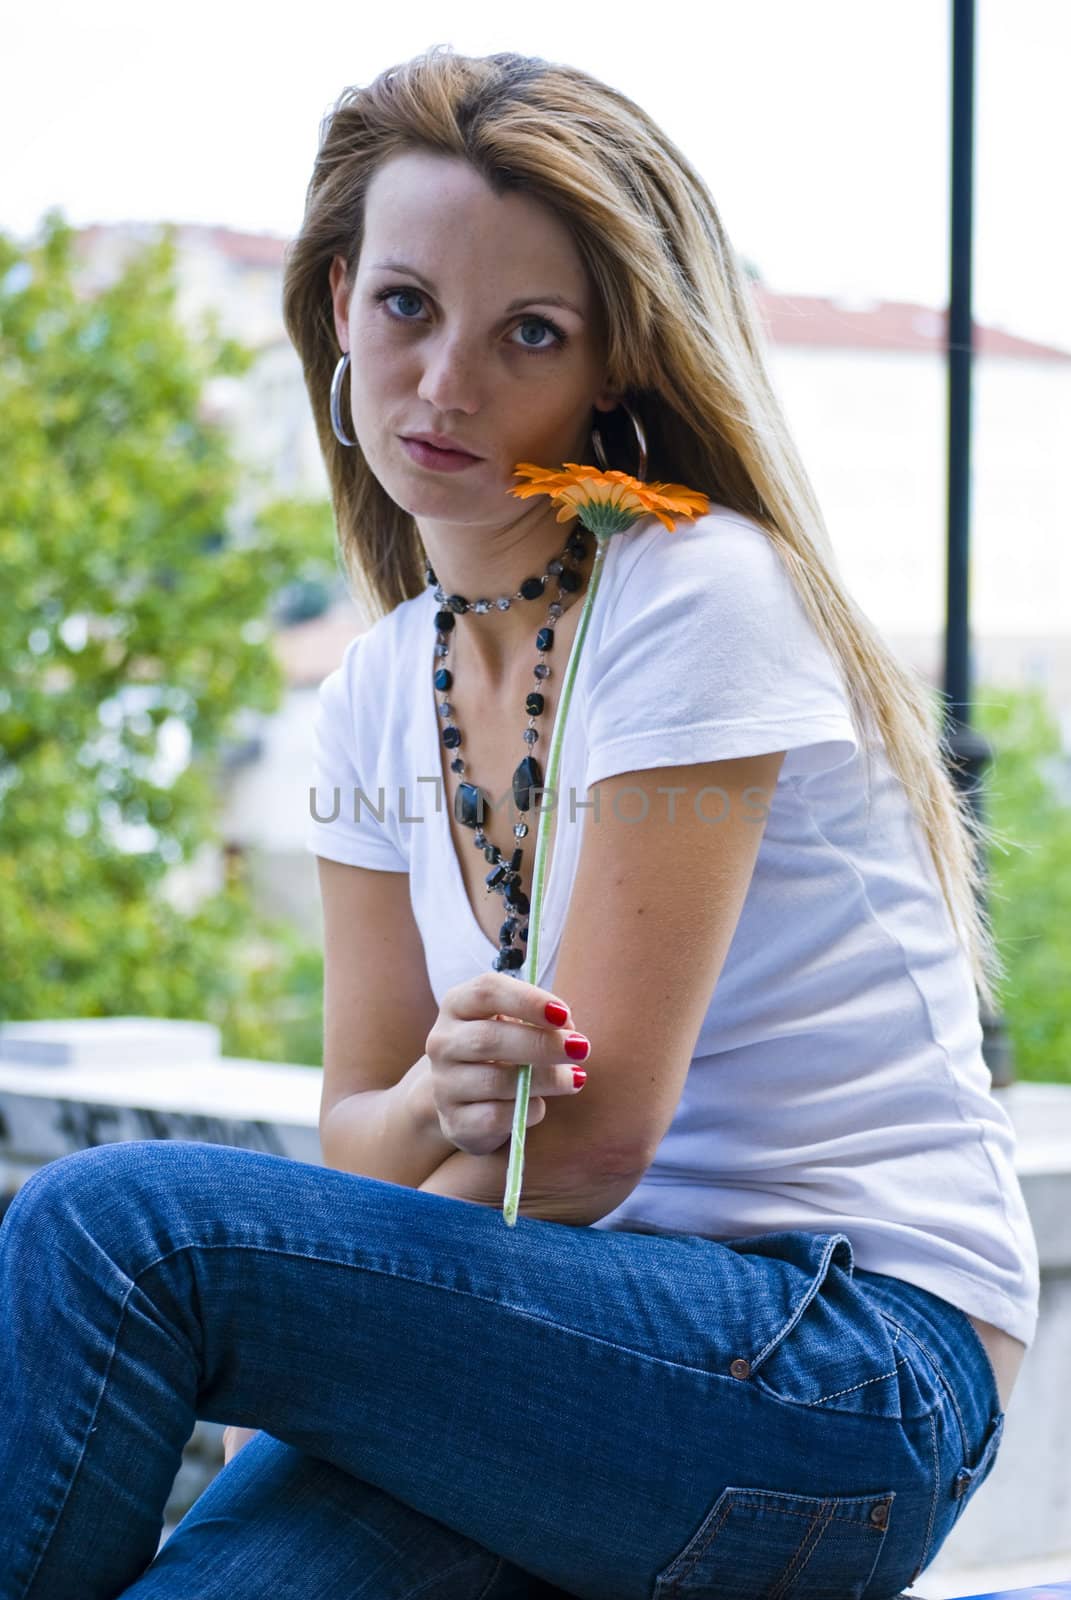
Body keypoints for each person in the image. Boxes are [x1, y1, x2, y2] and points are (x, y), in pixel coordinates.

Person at [0, 45, 1039, 1600]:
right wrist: (436, 1089)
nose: (446, 385)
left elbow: (595, 1143)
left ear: (608, 371)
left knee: (114, 1234)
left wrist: (388, 1213)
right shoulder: (370, 692)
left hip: (848, 1371)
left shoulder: (697, 593)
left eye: (527, 335)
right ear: (340, 301)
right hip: (576, 1351)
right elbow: (363, 1140)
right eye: (408, 307)